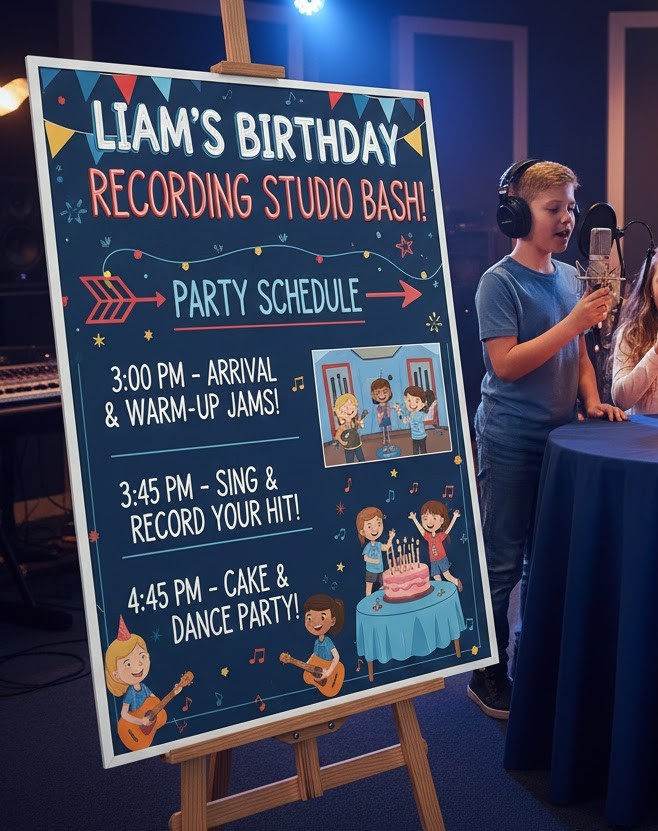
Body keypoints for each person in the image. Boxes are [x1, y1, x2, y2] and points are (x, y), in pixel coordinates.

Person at [470, 159, 626, 721]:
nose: (567, 219)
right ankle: (487, 670)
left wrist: (591, 398)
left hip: (561, 437)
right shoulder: (499, 282)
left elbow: (577, 353)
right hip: (511, 438)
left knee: (545, 559)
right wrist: (573, 323)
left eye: (571, 207)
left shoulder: (567, 277)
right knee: (503, 558)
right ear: (517, 215)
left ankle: (533, 662)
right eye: (553, 208)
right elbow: (507, 364)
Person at [611, 252, 658, 412]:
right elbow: (621, 400)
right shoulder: (632, 332)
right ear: (650, 288)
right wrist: (655, 353)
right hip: (642, 433)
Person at [408, 499, 462, 589]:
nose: (429, 522)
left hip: (442, 558)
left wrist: (455, 517)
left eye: (434, 518)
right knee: (436, 577)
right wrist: (414, 519)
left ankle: (456, 581)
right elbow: (421, 530)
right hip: (433, 560)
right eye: (425, 518)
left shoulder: (440, 536)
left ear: (441, 520)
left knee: (447, 575)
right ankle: (443, 589)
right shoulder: (428, 536)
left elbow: (448, 529)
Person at [303, 593, 345, 680]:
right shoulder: (316, 642)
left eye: (322, 617)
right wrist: (306, 664)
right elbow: (314, 656)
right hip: (320, 671)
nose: (315, 623)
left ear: (333, 621)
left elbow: (336, 657)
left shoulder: (328, 641)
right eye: (310, 618)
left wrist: (329, 672)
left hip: (329, 672)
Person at [356, 505, 396, 595]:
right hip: (371, 570)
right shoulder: (368, 546)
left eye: (378, 524)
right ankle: (367, 600)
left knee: (383, 585)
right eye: (369, 526)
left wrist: (391, 538)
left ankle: (383, 599)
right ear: (362, 532)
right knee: (369, 586)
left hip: (380, 569)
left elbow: (386, 548)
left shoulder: (378, 544)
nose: (375, 529)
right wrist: (374, 560)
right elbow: (365, 558)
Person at [394, 385, 428, 454]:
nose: (412, 404)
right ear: (405, 400)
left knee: (423, 451)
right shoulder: (410, 413)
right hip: (414, 436)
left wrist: (408, 417)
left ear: (423, 403)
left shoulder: (421, 413)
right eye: (409, 400)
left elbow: (417, 418)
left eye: (417, 401)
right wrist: (399, 410)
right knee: (415, 452)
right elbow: (405, 418)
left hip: (421, 436)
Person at [333, 392, 365, 463]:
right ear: (338, 411)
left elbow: (359, 427)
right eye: (345, 408)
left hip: (357, 444)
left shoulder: (353, 422)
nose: (349, 410)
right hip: (349, 446)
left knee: (361, 459)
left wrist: (361, 423)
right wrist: (342, 442)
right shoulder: (343, 426)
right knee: (350, 460)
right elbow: (337, 436)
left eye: (352, 407)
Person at [371, 378, 394, 452]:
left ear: (390, 392)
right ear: (373, 395)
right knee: (384, 431)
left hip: (387, 419)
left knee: (387, 430)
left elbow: (389, 410)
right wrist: (379, 421)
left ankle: (389, 439)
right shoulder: (379, 407)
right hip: (382, 420)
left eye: (385, 392)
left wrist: (393, 408)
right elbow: (379, 415)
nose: (382, 395)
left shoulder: (388, 404)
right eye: (377, 393)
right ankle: (384, 440)